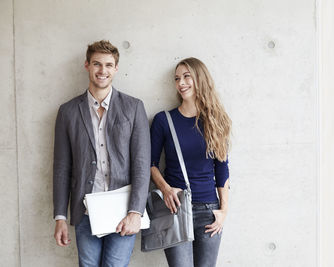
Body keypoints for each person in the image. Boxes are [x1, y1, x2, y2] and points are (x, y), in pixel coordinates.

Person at [53, 40, 150, 266]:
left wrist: (136, 211)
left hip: (124, 209)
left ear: (116, 68)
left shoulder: (133, 107)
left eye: (108, 65)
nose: (102, 71)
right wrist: (60, 217)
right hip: (85, 208)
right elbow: (61, 167)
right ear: (87, 65)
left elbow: (141, 163)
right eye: (97, 64)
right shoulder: (68, 112)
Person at [150, 57, 231, 267]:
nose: (181, 83)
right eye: (177, 78)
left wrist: (224, 211)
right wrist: (166, 189)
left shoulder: (216, 120)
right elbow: (150, 164)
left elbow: (222, 169)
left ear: (200, 79)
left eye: (187, 77)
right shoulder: (163, 120)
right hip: (175, 209)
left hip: (209, 210)